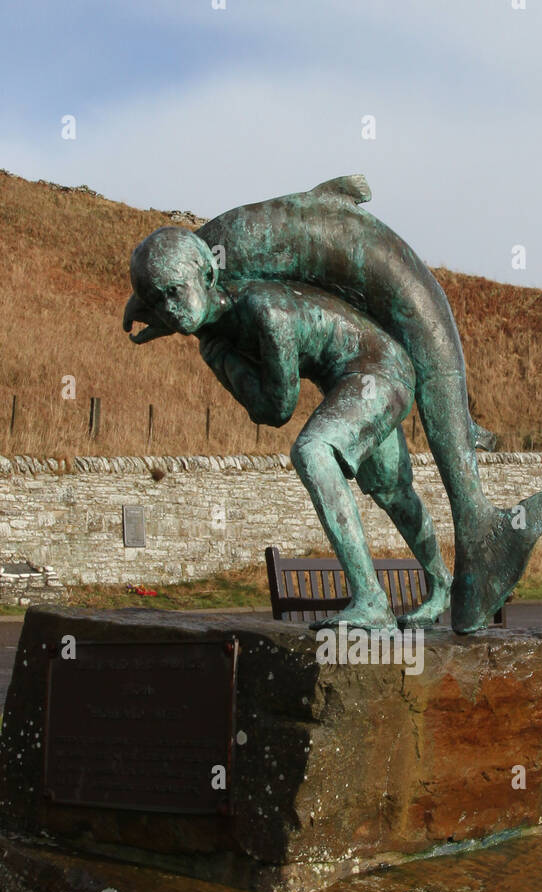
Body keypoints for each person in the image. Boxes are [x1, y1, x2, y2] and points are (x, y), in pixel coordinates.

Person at [136, 232, 451, 629]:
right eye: (158, 301)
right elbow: (267, 406)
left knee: (313, 451)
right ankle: (443, 584)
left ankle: (372, 601)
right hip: (362, 373)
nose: (171, 309)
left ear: (207, 276)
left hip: (379, 370)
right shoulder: (218, 336)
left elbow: (277, 409)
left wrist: (224, 360)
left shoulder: (265, 311)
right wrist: (216, 351)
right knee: (393, 490)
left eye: (175, 292)